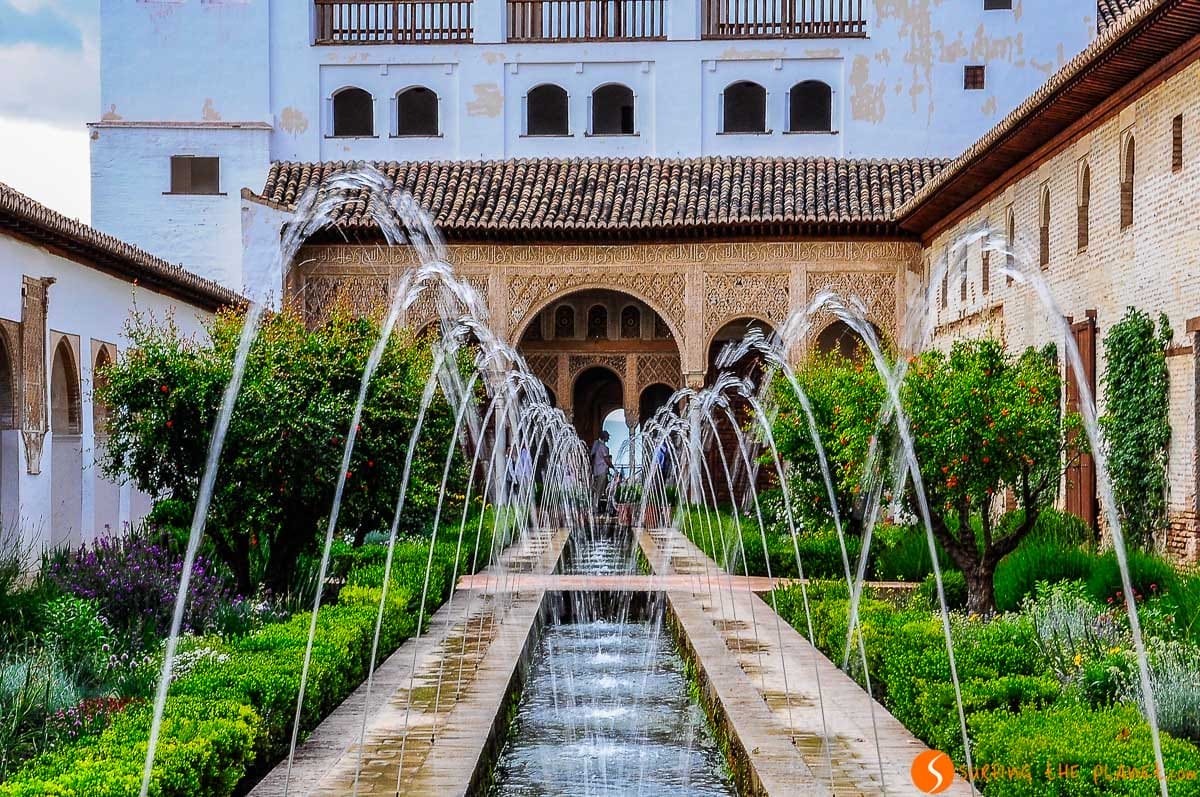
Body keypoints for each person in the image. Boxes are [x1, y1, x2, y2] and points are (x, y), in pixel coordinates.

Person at [590, 430, 613, 514]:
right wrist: (612, 467)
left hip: (596, 470)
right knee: (600, 489)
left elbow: (592, 455)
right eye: (607, 437)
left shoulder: (596, 445)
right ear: (605, 437)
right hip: (602, 470)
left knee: (598, 489)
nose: (608, 439)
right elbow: (606, 459)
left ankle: (596, 506)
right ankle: (594, 507)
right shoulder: (603, 447)